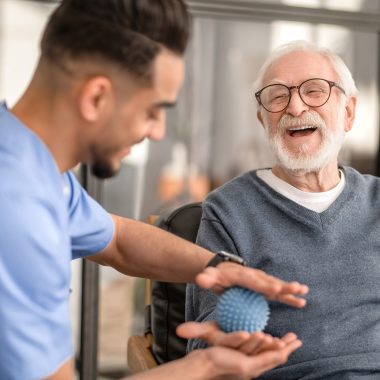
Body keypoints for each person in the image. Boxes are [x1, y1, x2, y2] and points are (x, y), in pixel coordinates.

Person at [0, 1, 310, 379]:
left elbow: (119, 240)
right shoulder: (19, 211)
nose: (159, 131)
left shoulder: (26, 161)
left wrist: (216, 268)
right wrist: (204, 366)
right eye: (153, 110)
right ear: (97, 97)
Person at [186, 39, 380, 379]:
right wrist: (231, 345)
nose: (295, 107)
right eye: (278, 96)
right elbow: (208, 336)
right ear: (263, 120)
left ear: (348, 111)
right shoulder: (229, 211)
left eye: (315, 91)